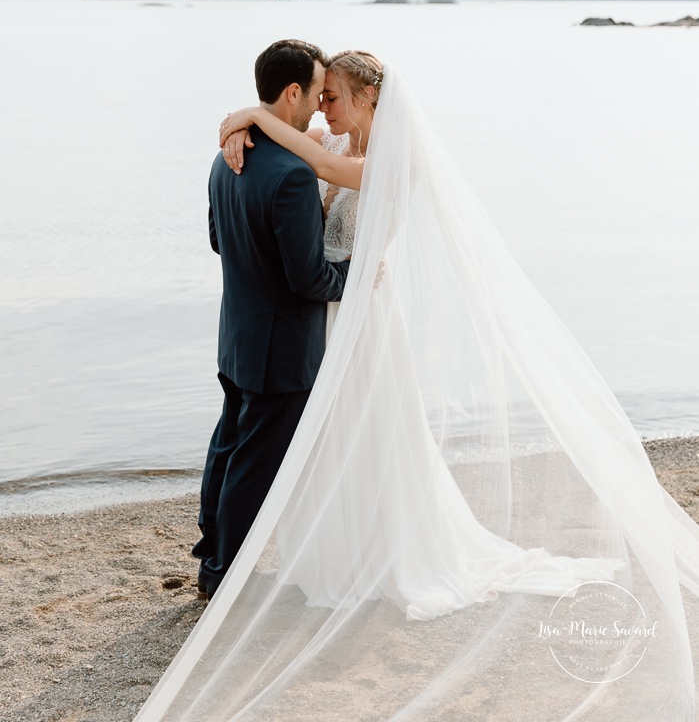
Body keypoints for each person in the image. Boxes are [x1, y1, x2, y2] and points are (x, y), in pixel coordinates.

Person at [137, 57, 699, 722]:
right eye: (318, 100)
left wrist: (255, 117)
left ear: (370, 98)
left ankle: (378, 555)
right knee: (326, 444)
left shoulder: (384, 164)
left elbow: (318, 170)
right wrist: (239, 131)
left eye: (336, 99)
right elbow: (296, 153)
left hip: (365, 319)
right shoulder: (336, 142)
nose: (325, 112)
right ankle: (330, 558)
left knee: (368, 439)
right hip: (326, 316)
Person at [193, 39, 350, 601]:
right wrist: (355, 274)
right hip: (280, 348)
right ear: (292, 92)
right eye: (314, 93)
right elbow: (309, 279)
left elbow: (218, 240)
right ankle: (224, 574)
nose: (317, 106)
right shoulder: (293, 177)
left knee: (229, 445)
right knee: (255, 464)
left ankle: (210, 550)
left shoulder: (229, 156)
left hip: (236, 336)